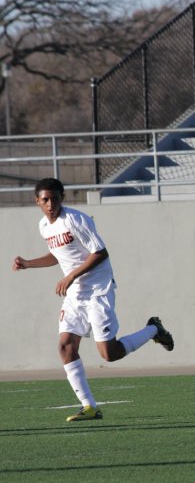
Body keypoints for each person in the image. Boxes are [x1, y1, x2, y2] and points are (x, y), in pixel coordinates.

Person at [12, 178, 174, 422]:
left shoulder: (75, 219)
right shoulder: (44, 226)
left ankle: (153, 329)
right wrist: (28, 263)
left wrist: (71, 276)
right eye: (45, 199)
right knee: (65, 347)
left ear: (62, 198)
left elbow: (100, 252)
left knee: (109, 354)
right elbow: (59, 254)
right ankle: (89, 406)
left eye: (54, 198)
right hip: (75, 294)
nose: (50, 204)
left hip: (98, 289)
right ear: (37, 201)